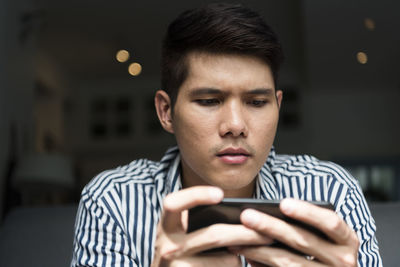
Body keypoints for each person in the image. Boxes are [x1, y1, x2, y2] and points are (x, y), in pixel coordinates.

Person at [71, 3, 382, 267]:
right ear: (166, 112)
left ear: (277, 106)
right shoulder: (114, 201)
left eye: (257, 102)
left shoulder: (331, 189)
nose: (235, 125)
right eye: (209, 101)